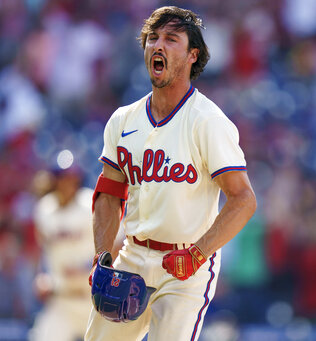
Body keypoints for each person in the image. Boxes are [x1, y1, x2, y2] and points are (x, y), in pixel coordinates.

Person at [85, 6, 256, 341]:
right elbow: (109, 192)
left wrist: (198, 254)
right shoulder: (123, 120)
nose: (157, 45)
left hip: (186, 264)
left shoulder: (207, 121)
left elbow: (244, 199)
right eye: (152, 38)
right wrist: (102, 256)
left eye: (171, 38)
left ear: (193, 55)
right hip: (131, 255)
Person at [29, 165, 96, 341]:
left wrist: (87, 267)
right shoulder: (45, 208)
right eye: (63, 179)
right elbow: (40, 248)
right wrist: (40, 275)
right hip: (61, 298)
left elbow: (116, 245)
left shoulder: (90, 203)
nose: (67, 184)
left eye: (72, 179)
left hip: (94, 299)